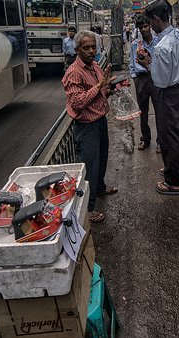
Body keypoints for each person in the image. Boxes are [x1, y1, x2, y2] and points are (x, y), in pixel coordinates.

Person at [62, 30, 118, 223]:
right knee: (89, 168)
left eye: (93, 47)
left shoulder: (94, 66)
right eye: (86, 48)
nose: (91, 51)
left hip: (100, 121)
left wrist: (108, 89)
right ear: (77, 50)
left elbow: (99, 91)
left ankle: (100, 188)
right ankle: (88, 207)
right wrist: (99, 87)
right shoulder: (74, 72)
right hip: (87, 127)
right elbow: (77, 102)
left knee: (102, 159)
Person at [144, 0, 179, 195]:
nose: (150, 27)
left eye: (150, 22)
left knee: (168, 136)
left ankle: (174, 182)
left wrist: (148, 63)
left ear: (155, 19)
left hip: (168, 94)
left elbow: (159, 80)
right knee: (178, 133)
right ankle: (175, 169)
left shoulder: (162, 47)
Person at [129, 13, 160, 153]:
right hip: (141, 79)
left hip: (155, 78)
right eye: (141, 27)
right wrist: (135, 79)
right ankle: (145, 139)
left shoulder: (159, 42)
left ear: (150, 26)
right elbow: (131, 64)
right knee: (143, 112)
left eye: (146, 26)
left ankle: (160, 141)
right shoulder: (135, 45)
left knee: (160, 111)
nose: (143, 30)